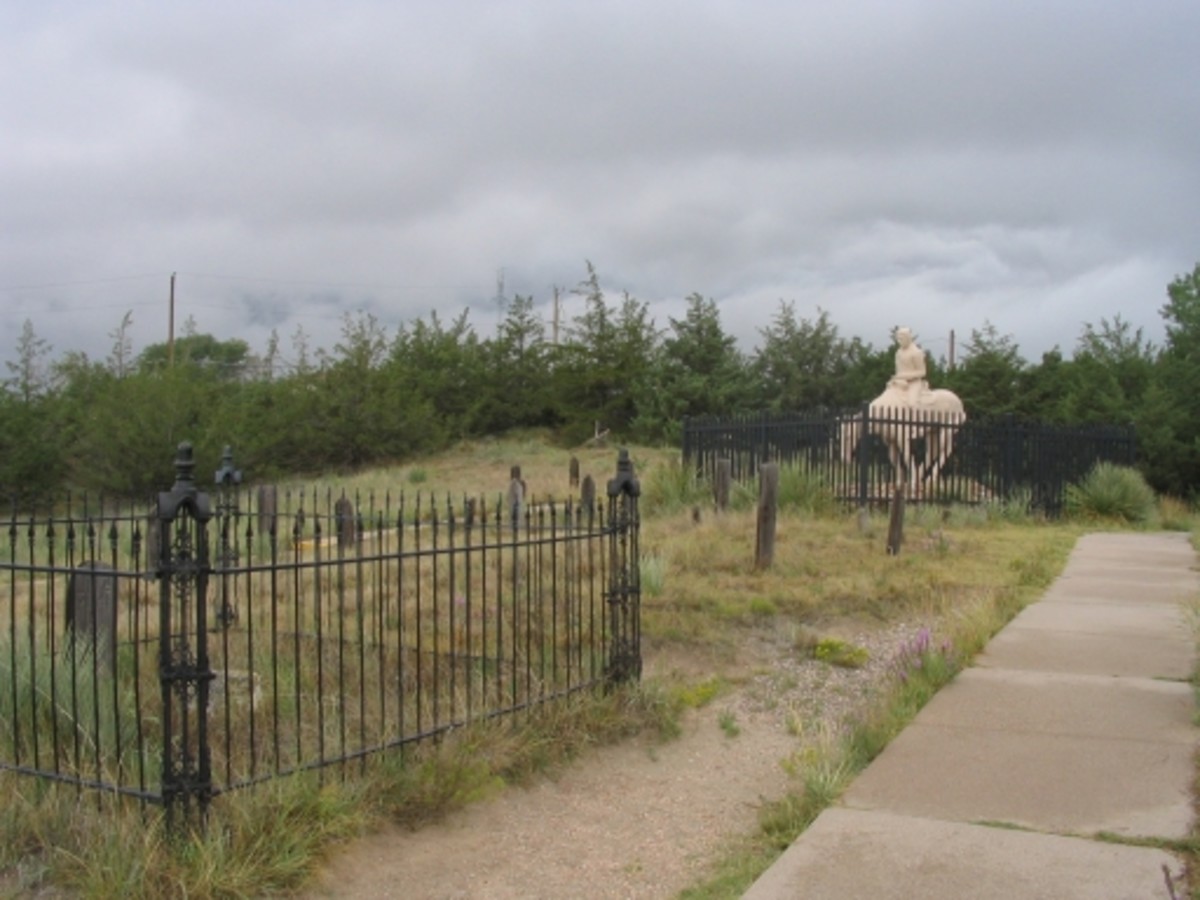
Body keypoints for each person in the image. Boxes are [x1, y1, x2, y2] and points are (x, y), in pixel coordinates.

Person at [889, 327, 928, 407]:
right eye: (898, 339)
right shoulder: (898, 353)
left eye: (901, 339)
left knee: (912, 403)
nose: (899, 342)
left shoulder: (916, 352)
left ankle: (917, 418)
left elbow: (922, 372)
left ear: (908, 338)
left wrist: (905, 376)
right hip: (899, 381)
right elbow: (898, 370)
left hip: (914, 383)